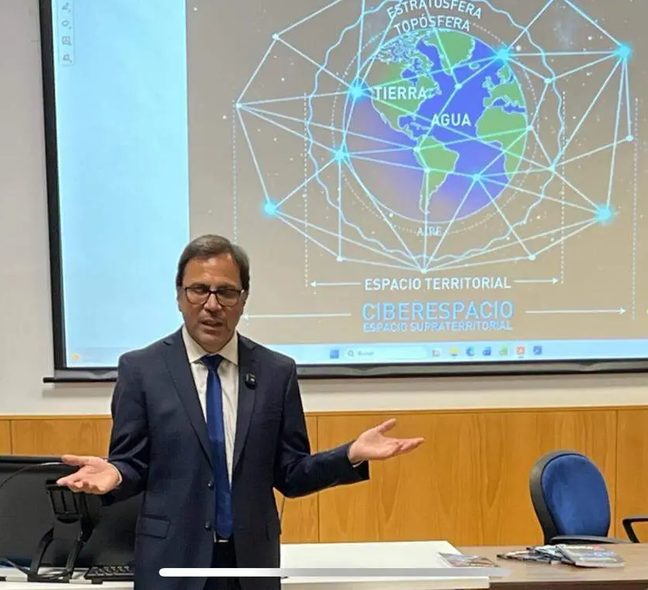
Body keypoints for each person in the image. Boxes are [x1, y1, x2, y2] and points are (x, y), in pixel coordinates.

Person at [58, 234, 423, 590]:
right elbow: (132, 464)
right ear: (179, 296)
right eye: (199, 290)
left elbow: (292, 474)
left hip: (251, 564)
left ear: (243, 299)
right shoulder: (142, 370)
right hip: (172, 561)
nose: (212, 304)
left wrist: (350, 455)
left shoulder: (275, 372)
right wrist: (116, 474)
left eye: (227, 292)